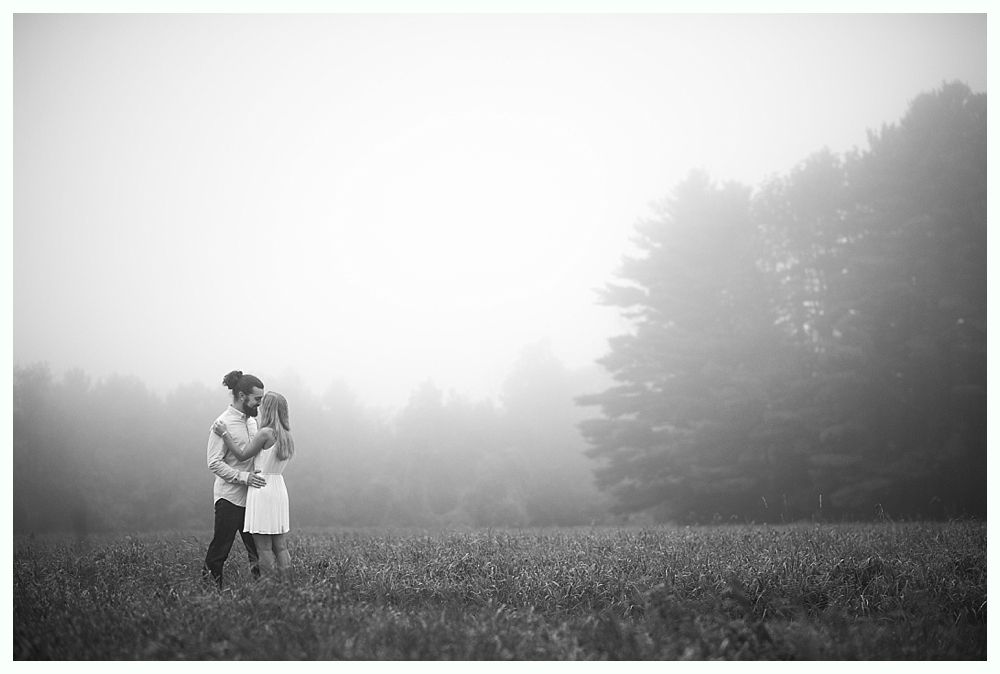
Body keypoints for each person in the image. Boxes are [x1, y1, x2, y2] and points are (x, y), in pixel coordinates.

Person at [213, 391, 295, 577]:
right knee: (280, 546)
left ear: (268, 409)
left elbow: (242, 454)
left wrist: (225, 435)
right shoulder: (287, 435)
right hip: (278, 488)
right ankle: (288, 586)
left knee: (264, 548)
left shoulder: (265, 433)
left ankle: (267, 587)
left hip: (261, 487)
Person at [202, 370, 266, 588]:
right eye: (257, 399)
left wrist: (258, 475)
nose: (259, 404)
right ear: (241, 396)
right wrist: (243, 477)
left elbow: (255, 454)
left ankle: (263, 592)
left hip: (253, 497)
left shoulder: (252, 423)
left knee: (257, 550)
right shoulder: (222, 423)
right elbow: (213, 462)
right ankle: (210, 591)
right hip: (229, 497)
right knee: (220, 549)